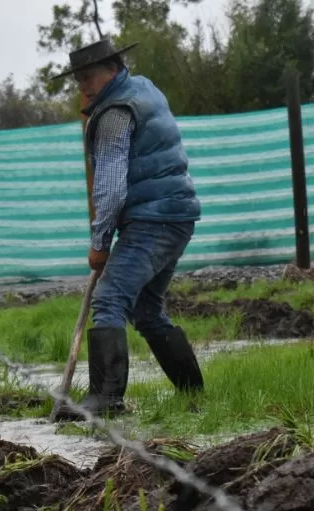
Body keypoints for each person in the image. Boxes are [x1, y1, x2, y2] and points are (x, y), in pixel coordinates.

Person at [50, 38, 204, 422]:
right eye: (79, 80)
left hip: (154, 219)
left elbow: (111, 186)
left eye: (90, 77)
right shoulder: (143, 89)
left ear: (113, 70)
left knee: (109, 298)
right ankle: (193, 392)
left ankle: (105, 399)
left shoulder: (116, 112)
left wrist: (100, 242)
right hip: (176, 214)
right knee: (146, 309)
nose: (84, 86)